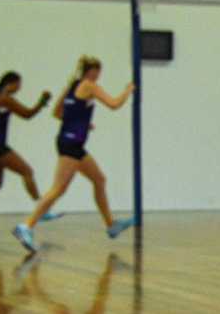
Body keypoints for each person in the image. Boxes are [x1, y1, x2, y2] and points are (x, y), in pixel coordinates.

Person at [13, 56, 136, 253]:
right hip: (71, 144)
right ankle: (26, 226)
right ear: (91, 72)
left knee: (99, 179)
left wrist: (82, 123)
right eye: (98, 72)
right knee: (58, 188)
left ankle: (110, 224)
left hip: (72, 143)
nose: (99, 76)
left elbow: (57, 113)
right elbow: (114, 104)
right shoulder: (90, 85)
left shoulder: (71, 86)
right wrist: (128, 91)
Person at [0, 72, 59, 234]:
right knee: (27, 171)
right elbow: (27, 114)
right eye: (19, 84)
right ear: (11, 83)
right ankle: (41, 209)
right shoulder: (5, 98)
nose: (20, 88)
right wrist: (43, 101)